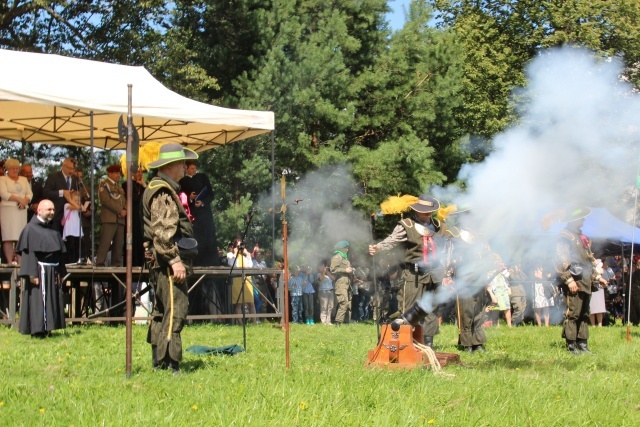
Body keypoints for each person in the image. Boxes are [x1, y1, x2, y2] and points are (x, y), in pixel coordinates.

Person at [142, 143, 198, 373]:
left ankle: (159, 361)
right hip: (168, 261)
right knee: (175, 310)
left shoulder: (155, 186)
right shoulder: (163, 192)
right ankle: (171, 364)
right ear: (171, 165)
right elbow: (163, 232)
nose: (185, 168)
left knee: (160, 311)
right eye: (182, 164)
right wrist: (175, 261)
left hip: (159, 260)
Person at [368, 194, 447, 347]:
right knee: (410, 309)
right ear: (417, 210)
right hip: (414, 275)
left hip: (434, 274)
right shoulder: (406, 225)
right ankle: (406, 343)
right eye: (424, 211)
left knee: (431, 309)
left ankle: (428, 343)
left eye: (429, 211)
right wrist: (378, 247)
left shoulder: (438, 225)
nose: (427, 214)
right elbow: (392, 240)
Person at [554, 207, 602, 354]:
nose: (583, 220)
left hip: (586, 280)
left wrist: (597, 277)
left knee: (585, 313)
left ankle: (582, 343)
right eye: (581, 218)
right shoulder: (565, 236)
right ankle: (571, 344)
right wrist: (568, 280)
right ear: (574, 220)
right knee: (573, 313)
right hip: (575, 280)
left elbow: (589, 260)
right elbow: (561, 260)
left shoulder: (582, 237)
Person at [16, 200, 67, 337]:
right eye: (48, 209)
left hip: (53, 269)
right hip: (39, 270)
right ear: (39, 210)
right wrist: (32, 274)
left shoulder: (53, 228)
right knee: (39, 300)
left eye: (53, 209)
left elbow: (59, 253)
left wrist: (61, 272)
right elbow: (28, 252)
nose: (51, 212)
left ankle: (49, 327)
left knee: (52, 300)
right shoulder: (30, 229)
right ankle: (38, 329)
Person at [0, 158, 32, 264]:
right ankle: (9, 262)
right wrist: (20, 199)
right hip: (8, 211)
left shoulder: (23, 179)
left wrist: (25, 201)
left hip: (21, 211)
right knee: (8, 237)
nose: (15, 170)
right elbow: (4, 194)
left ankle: (21, 263)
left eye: (17, 168)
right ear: (7, 169)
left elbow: (29, 194)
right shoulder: (2, 179)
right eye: (12, 168)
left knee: (20, 237)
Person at [95, 165, 126, 267]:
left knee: (119, 244)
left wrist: (125, 210)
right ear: (109, 174)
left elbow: (124, 200)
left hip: (120, 220)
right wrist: (119, 210)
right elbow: (106, 200)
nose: (118, 175)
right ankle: (100, 263)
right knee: (105, 242)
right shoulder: (104, 185)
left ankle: (116, 265)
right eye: (116, 173)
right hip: (109, 219)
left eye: (118, 173)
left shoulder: (119, 187)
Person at [43, 157, 78, 232]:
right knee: (55, 240)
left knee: (69, 242)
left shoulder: (75, 180)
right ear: (63, 166)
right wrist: (62, 192)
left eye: (72, 169)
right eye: (69, 168)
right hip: (56, 215)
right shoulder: (54, 176)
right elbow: (46, 192)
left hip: (69, 217)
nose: (71, 171)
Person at [227, 238, 257, 324]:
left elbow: (250, 265)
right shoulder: (230, 255)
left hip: (247, 280)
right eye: (238, 246)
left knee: (251, 303)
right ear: (234, 246)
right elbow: (232, 264)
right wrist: (235, 253)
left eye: (241, 246)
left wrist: (247, 254)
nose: (240, 248)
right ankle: (240, 323)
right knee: (238, 303)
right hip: (236, 281)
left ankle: (254, 322)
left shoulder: (244, 257)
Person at [122, 167, 146, 267]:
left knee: (141, 241)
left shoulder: (143, 185)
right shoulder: (126, 184)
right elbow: (133, 198)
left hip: (141, 217)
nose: (140, 174)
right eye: (138, 172)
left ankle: (141, 263)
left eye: (141, 172)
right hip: (131, 217)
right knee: (131, 241)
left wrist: (144, 185)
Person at [331, 240, 354, 326]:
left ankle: (347, 322)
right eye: (346, 248)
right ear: (342, 248)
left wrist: (351, 270)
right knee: (344, 303)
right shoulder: (337, 257)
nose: (347, 249)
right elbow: (333, 270)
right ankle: (338, 322)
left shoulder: (345, 258)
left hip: (347, 283)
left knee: (348, 303)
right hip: (341, 284)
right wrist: (345, 270)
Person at [61, 191, 84, 264]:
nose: (77, 202)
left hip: (76, 229)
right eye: (75, 200)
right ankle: (70, 262)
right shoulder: (66, 205)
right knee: (70, 247)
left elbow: (83, 209)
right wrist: (69, 200)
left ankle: (76, 261)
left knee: (77, 246)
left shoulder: (78, 206)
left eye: (78, 200)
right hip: (70, 230)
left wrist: (79, 202)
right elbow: (78, 208)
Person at [589, 259, 607, 327]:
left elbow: (601, 271)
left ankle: (600, 324)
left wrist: (596, 264)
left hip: (599, 287)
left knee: (599, 307)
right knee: (592, 307)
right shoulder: (588, 265)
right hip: (591, 287)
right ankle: (593, 325)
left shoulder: (598, 264)